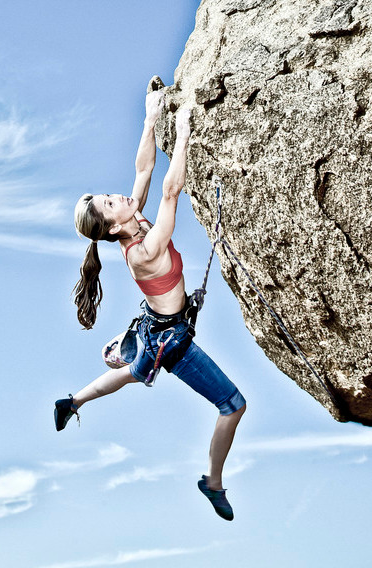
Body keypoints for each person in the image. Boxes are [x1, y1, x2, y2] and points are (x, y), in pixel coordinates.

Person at [54, 79, 246, 521]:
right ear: (111, 226)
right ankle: (212, 482)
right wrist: (182, 133)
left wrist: (150, 116)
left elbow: (143, 172)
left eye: (109, 194)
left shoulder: (130, 219)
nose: (118, 196)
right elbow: (170, 191)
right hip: (173, 340)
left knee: (133, 374)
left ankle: (74, 401)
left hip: (151, 326)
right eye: (110, 202)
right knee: (233, 406)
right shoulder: (142, 251)